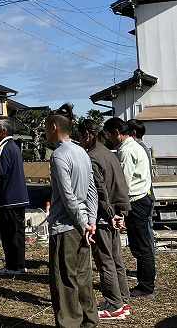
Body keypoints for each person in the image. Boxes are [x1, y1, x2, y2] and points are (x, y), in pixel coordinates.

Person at [46, 104, 98, 328]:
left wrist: (81, 222)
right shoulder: (81, 152)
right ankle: (89, 319)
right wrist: (91, 221)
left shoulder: (59, 155)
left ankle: (69, 323)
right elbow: (92, 190)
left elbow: (68, 197)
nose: (45, 133)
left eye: (46, 128)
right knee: (83, 275)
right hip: (84, 225)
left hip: (65, 226)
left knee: (64, 278)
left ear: (55, 127)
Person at [78, 118, 132, 320]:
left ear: (87, 134)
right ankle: (122, 301)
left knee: (105, 261)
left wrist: (109, 214)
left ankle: (114, 303)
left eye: (79, 136)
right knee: (116, 260)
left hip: (103, 217)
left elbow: (99, 191)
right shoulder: (109, 153)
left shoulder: (92, 157)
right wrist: (121, 213)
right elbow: (121, 183)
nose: (79, 140)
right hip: (116, 212)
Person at [103, 117, 156, 298]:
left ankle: (146, 285)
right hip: (142, 198)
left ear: (117, 132)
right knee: (141, 244)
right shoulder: (134, 146)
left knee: (141, 245)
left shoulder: (126, 151)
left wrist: (119, 210)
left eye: (109, 135)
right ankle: (144, 280)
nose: (109, 139)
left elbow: (122, 183)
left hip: (137, 201)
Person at [0, 119, 29, 276]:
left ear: (4, 132)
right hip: (20, 196)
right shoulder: (15, 147)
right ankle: (20, 264)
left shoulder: (5, 148)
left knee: (9, 234)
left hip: (10, 198)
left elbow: (0, 173)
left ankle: (12, 266)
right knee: (19, 232)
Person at [127, 118, 156, 255]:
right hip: (147, 193)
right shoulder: (143, 148)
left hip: (143, 195)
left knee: (145, 234)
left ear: (133, 132)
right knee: (145, 232)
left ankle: (149, 267)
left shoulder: (138, 149)